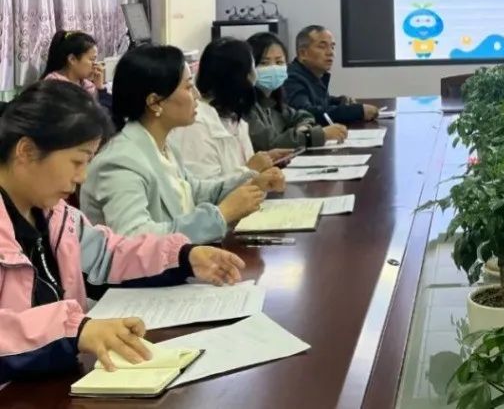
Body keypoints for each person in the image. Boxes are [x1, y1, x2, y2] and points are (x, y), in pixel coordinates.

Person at [0, 81, 245, 382]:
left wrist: (183, 257)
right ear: (26, 151)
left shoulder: (56, 216)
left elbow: (108, 256)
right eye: (77, 161)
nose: (82, 176)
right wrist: (75, 330)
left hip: (55, 384)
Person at [81, 46, 280, 244]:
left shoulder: (163, 145)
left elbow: (195, 192)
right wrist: (222, 214)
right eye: (188, 87)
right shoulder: (120, 162)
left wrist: (250, 182)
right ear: (155, 102)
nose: (197, 95)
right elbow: (135, 239)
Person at [168, 38, 292, 179]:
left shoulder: (233, 117)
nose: (254, 79)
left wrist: (265, 163)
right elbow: (205, 187)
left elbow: (241, 169)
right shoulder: (197, 125)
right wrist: (250, 169)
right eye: (252, 70)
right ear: (238, 78)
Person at [246, 33, 348, 151]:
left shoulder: (273, 102)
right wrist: (320, 135)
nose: (273, 68)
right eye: (264, 63)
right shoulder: (245, 106)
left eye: (279, 62)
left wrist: (304, 128)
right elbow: (270, 143)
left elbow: (303, 115)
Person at [284, 26, 378, 125]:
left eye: (332, 47)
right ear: (303, 53)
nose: (330, 52)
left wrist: (339, 101)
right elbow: (307, 113)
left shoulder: (313, 74)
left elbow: (318, 102)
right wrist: (358, 111)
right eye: (322, 47)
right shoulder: (291, 78)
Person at [41, 30, 107, 100]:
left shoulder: (86, 84)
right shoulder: (54, 85)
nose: (95, 64)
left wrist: (99, 87)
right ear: (72, 59)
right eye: (92, 59)